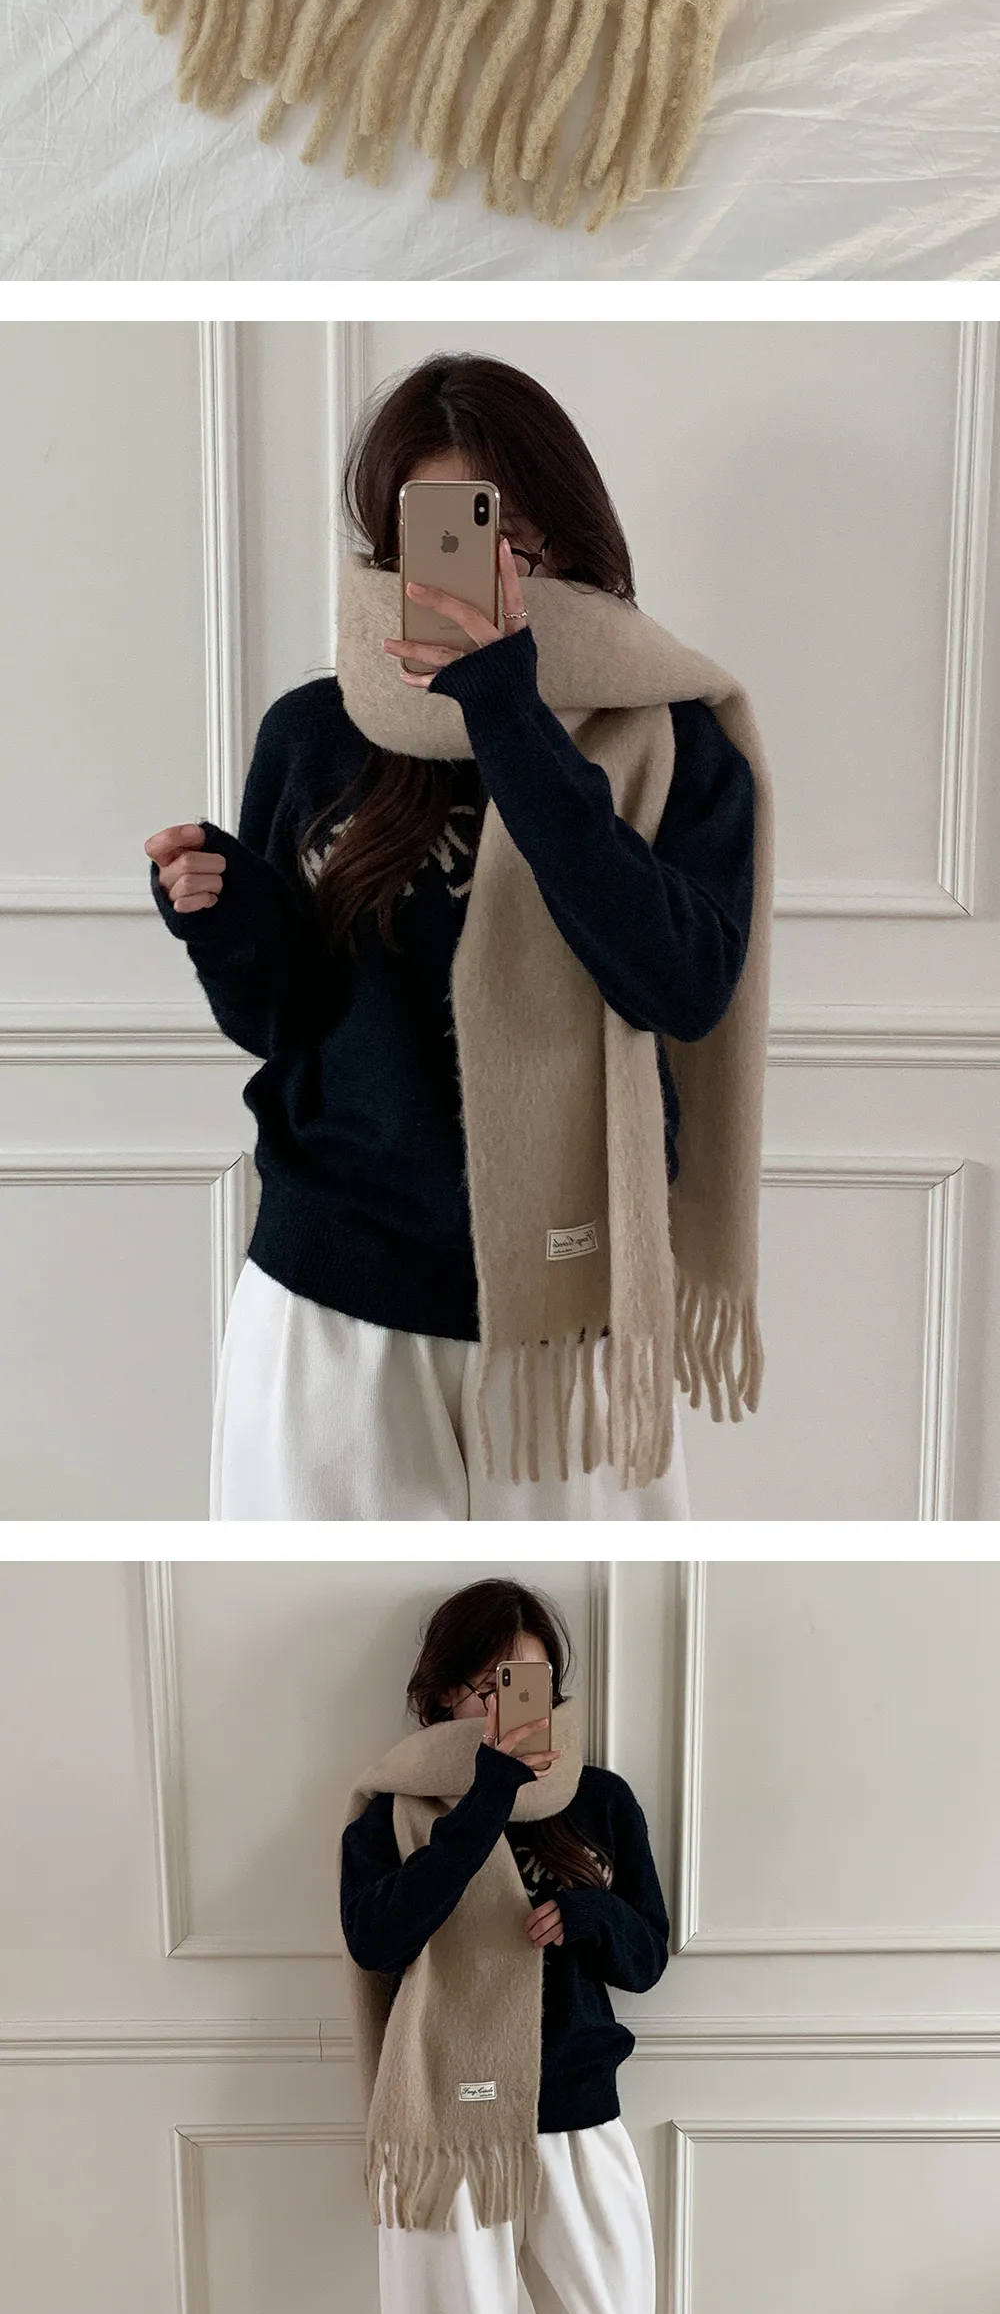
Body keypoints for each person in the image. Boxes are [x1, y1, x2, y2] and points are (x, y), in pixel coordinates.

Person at [147, 350, 765, 1521]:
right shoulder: (317, 732)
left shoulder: (674, 739)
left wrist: (509, 715)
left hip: (571, 1327)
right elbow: (284, 1022)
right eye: (444, 529)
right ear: (392, 545)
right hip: (334, 1310)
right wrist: (226, 921)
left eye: (511, 528)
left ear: (571, 532)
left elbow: (680, 984)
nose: (484, 563)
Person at [339, 1578, 669, 2314]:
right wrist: (482, 1799)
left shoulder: (601, 1799)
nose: (500, 1701)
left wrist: (588, 1918)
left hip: (576, 2117)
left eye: (521, 1679)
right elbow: (379, 1936)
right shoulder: (391, 1810)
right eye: (481, 1682)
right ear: (438, 1690)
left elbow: (647, 1957)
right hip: (447, 2128)